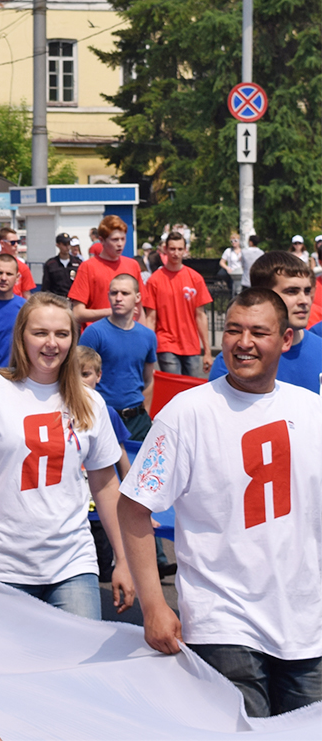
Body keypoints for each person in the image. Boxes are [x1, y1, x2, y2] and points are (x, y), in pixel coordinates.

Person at [118, 289, 322, 717]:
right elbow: (134, 505)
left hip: (307, 627)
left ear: (285, 339)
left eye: (258, 332)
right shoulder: (186, 412)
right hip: (222, 624)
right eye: (233, 330)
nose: (243, 342)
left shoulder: (311, 410)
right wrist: (154, 605)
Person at [0, 293, 135, 619]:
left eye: (62, 334)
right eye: (40, 333)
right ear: (21, 336)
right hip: (1, 563)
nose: (51, 343)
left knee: (79, 650)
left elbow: (104, 484)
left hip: (72, 562)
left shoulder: (91, 402)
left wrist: (124, 558)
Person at [208, 250, 322, 392]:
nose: (304, 301)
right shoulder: (234, 361)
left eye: (307, 291)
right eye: (292, 291)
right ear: (262, 295)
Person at [80, 275, 158, 441]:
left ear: (137, 297)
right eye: (114, 293)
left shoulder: (148, 336)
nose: (118, 298)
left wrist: (146, 413)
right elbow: (78, 378)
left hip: (137, 421)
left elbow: (148, 379)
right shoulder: (94, 333)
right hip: (102, 416)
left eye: (125, 293)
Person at [143, 231, 213, 377]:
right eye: (172, 249)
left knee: (191, 388)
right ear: (165, 249)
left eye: (180, 249)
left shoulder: (195, 278)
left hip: (191, 345)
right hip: (166, 344)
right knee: (174, 385)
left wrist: (207, 351)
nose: (176, 253)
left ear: (185, 250)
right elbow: (151, 318)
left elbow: (201, 316)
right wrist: (147, 349)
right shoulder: (154, 280)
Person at [68, 216, 143, 326]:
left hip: (128, 332)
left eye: (123, 239)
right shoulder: (88, 267)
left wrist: (145, 333)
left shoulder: (133, 265)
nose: (120, 244)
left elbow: (139, 308)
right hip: (98, 333)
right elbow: (77, 313)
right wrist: (112, 312)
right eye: (115, 239)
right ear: (102, 240)